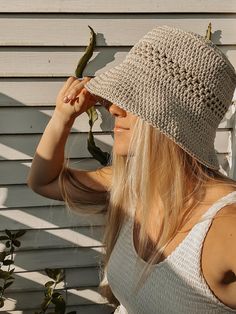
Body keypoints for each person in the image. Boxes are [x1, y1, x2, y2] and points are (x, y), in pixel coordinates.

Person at [27, 25, 236, 313]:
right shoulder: (134, 185)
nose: (113, 108)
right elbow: (42, 181)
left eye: (135, 100)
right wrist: (62, 118)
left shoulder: (225, 226)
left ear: (173, 118)